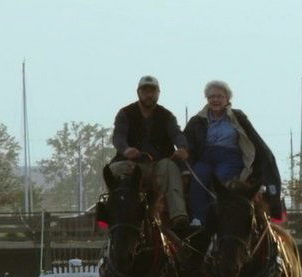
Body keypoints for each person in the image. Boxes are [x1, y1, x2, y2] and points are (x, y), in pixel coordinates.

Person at [182, 80, 285, 229]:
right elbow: (187, 142)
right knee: (198, 178)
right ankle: (198, 218)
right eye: (211, 97)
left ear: (227, 98)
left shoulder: (237, 117)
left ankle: (216, 217)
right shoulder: (197, 120)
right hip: (206, 157)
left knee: (220, 182)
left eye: (219, 96)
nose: (215, 100)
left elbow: (255, 140)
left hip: (229, 157)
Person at [110, 75, 190, 234]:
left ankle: (178, 215)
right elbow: (118, 136)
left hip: (157, 165)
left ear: (158, 93)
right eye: (145, 91)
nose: (149, 94)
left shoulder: (166, 116)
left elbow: (177, 133)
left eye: (152, 91)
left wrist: (182, 147)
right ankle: (113, 214)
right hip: (132, 164)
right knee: (113, 170)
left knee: (170, 167)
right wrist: (126, 149)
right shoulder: (125, 113)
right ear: (138, 92)